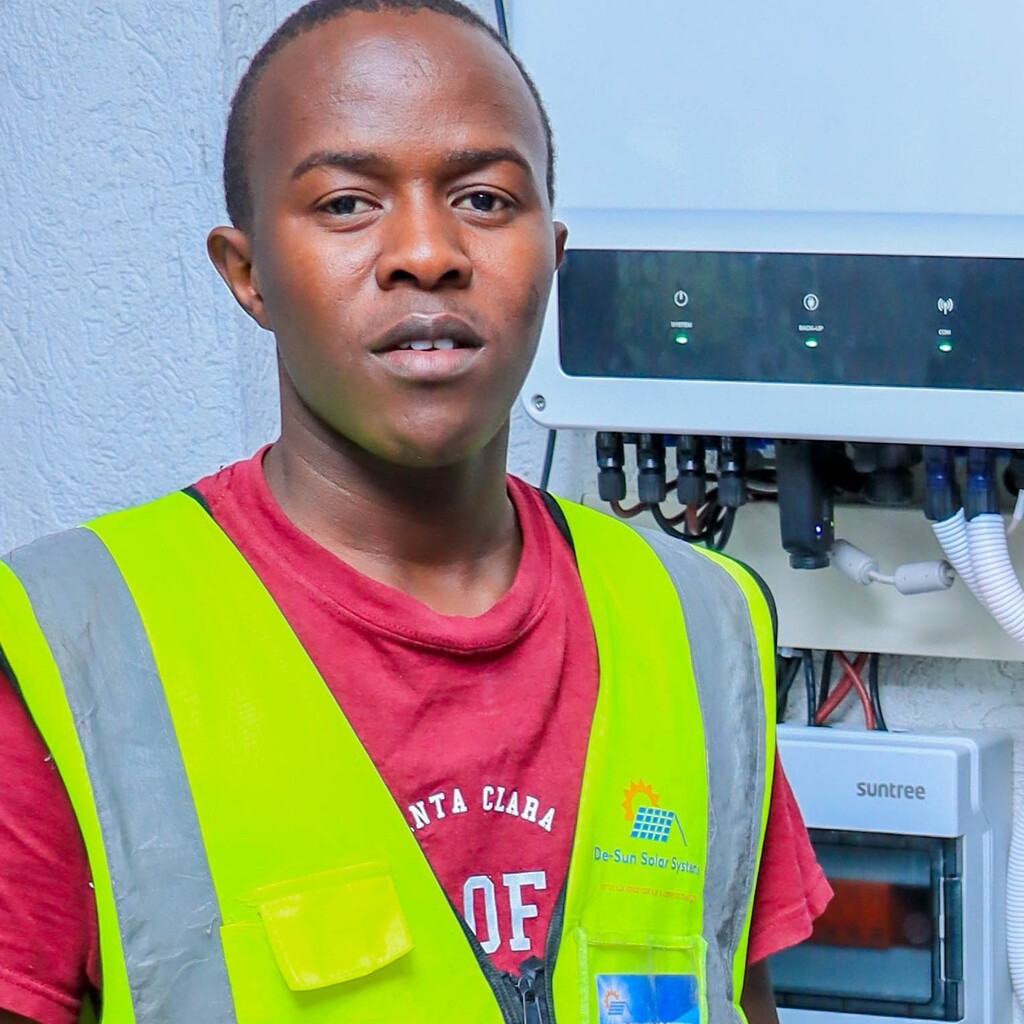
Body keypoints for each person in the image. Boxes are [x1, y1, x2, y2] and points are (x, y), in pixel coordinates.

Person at [0, 2, 831, 1022]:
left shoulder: (696, 627)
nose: (427, 252)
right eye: (347, 204)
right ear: (247, 273)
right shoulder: (80, 648)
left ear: (551, 254)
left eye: (483, 198)